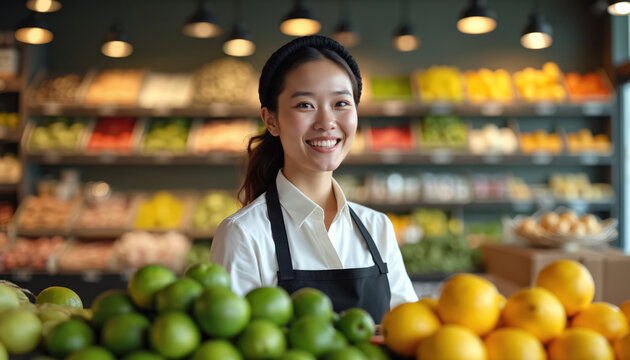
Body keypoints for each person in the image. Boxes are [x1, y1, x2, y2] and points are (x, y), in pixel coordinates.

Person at [210, 35, 418, 322]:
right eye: (305, 105)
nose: (326, 122)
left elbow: (410, 332)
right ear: (271, 120)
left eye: (341, 103)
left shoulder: (378, 228)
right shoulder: (244, 235)